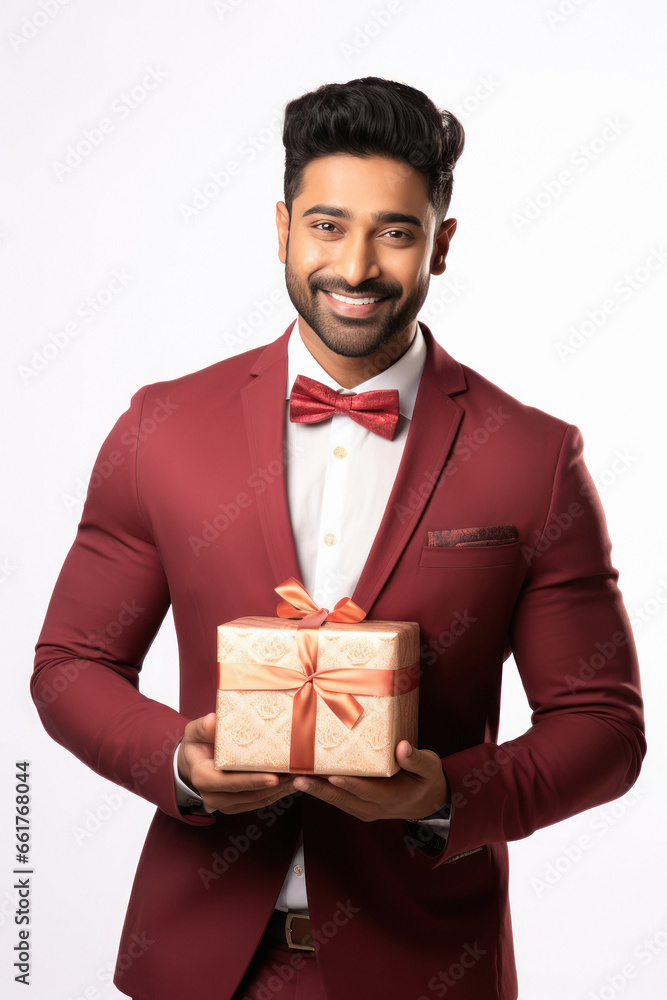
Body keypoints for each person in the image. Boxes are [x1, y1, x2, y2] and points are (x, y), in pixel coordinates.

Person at [32, 77, 645, 1000]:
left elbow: (603, 727)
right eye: (325, 225)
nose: (354, 266)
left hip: (428, 970)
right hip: (196, 966)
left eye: (394, 232)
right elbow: (71, 661)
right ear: (281, 227)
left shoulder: (532, 457)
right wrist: (178, 764)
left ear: (440, 243)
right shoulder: (159, 427)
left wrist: (447, 795)